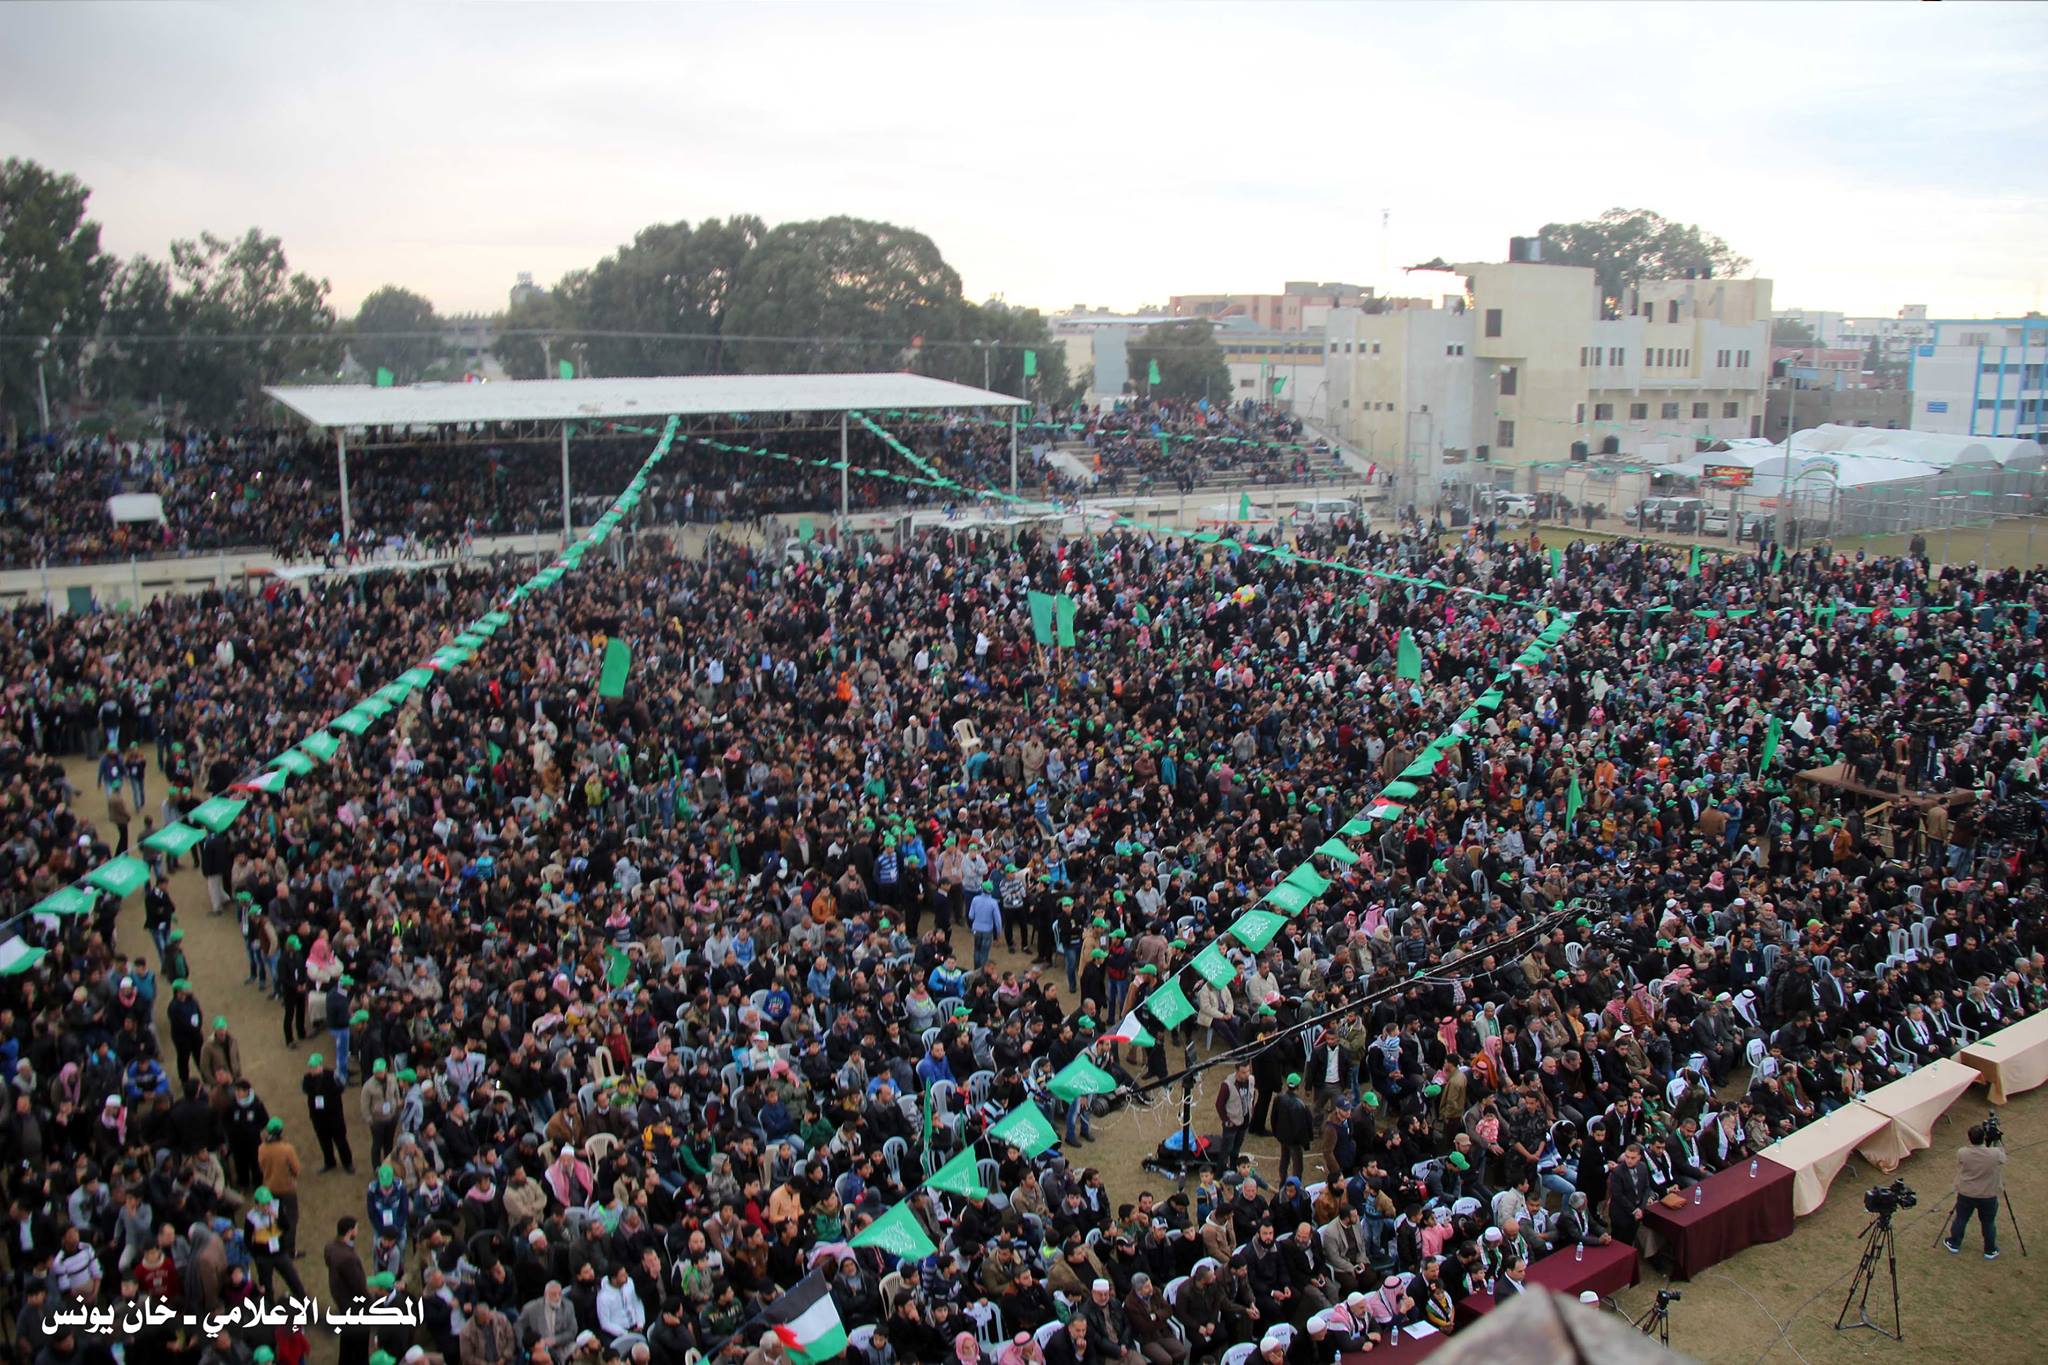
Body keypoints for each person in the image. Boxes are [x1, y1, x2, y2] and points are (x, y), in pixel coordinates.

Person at [1944, 1123, 2008, 1260]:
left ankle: (1954, 1243)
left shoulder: (1963, 1152)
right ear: (1984, 1137)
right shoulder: (1995, 1153)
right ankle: (1990, 1250)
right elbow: (2003, 1157)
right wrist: (1997, 1140)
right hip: (1988, 1195)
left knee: (1961, 1218)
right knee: (1988, 1222)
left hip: (1966, 1193)